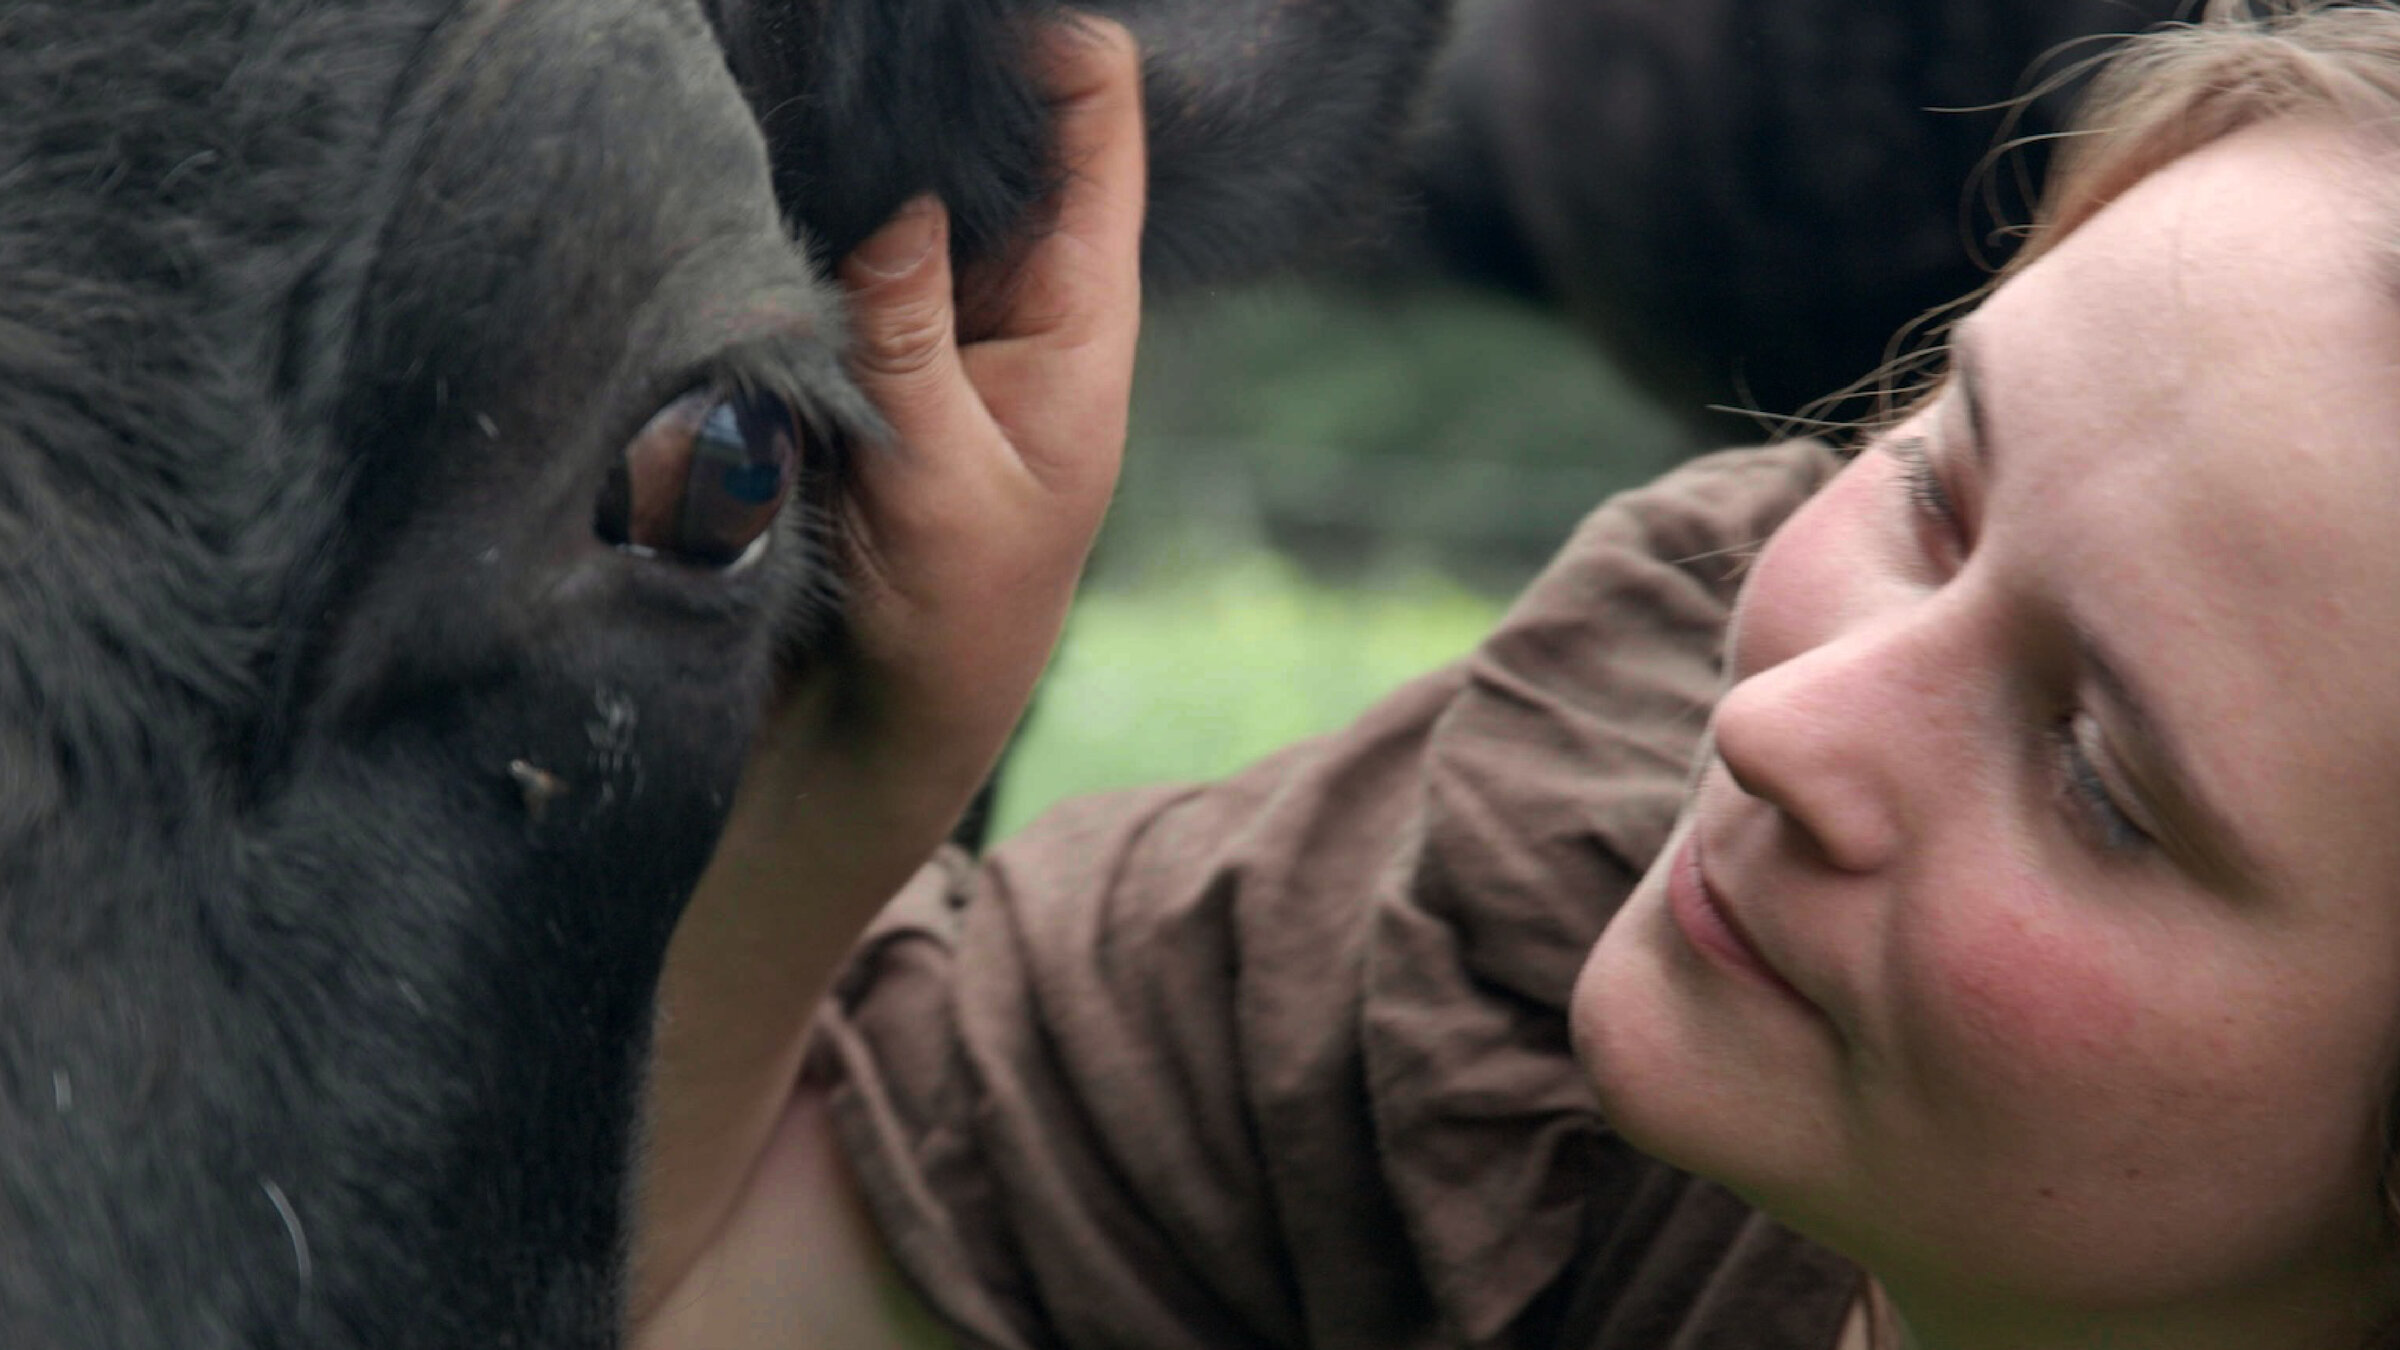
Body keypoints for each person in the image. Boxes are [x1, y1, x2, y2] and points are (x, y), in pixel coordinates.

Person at [634, 2, 2400, 1347]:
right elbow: (686, 1290)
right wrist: (871, 746)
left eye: (2097, 779)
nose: (1779, 721)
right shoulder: (1575, 864)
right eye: (1938, 487)